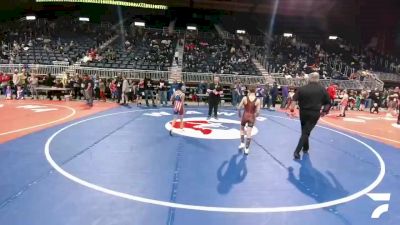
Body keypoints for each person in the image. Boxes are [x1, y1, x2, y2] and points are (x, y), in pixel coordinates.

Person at [290, 72, 331, 160]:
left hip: (303, 112)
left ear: (309, 78)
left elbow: (294, 100)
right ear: (318, 79)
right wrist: (324, 111)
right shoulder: (322, 89)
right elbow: (328, 102)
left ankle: (306, 148)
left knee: (304, 131)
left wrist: (292, 110)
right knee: (306, 132)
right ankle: (297, 151)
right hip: (314, 113)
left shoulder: (302, 88)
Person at [237, 86, 261, 155]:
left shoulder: (245, 98)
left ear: (249, 91)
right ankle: (246, 149)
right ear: (255, 92)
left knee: (241, 129)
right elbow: (258, 112)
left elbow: (239, 107)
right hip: (251, 117)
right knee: (249, 133)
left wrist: (239, 114)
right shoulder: (258, 100)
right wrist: (255, 117)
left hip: (245, 116)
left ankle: (242, 143)